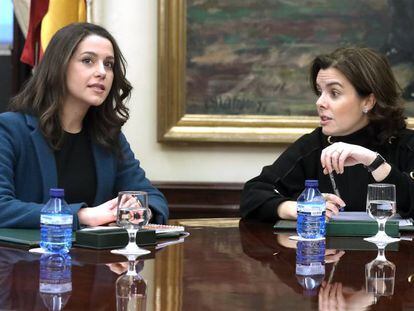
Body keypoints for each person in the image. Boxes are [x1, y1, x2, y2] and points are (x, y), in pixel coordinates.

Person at [0, 22, 168, 228]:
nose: (102, 72)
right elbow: (2, 208)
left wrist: (138, 211)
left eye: (108, 64)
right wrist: (81, 216)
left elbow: (152, 198)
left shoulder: (108, 135)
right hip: (23, 258)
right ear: (58, 66)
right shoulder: (9, 129)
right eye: (88, 61)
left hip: (94, 259)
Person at [240, 47, 414, 222]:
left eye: (334, 93)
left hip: (392, 250)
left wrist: (375, 162)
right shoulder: (312, 145)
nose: (320, 102)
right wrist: (295, 208)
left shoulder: (406, 144)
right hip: (327, 249)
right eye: (320, 91)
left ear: (368, 101)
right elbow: (253, 195)